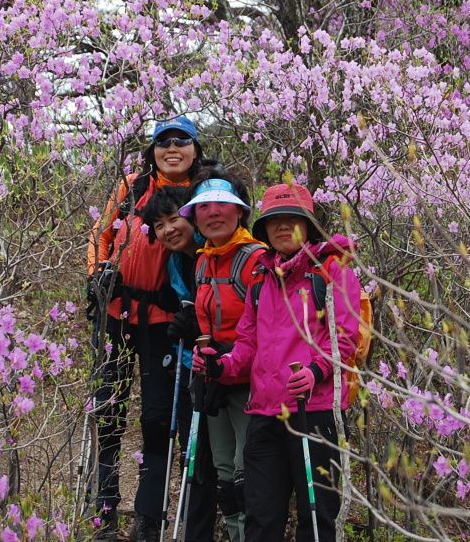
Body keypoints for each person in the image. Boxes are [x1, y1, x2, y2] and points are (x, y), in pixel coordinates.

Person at [193, 183, 362, 542]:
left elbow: (345, 336)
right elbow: (248, 342)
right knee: (261, 517)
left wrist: (317, 370)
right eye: (275, 221)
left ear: (308, 224)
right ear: (265, 230)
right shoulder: (261, 277)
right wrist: (220, 366)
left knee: (316, 518)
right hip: (264, 414)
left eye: (292, 219)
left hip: (313, 411)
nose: (283, 227)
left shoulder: (332, 270)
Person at [86, 116, 205, 542]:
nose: (172, 149)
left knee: (157, 418)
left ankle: (148, 517)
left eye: (182, 141)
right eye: (163, 142)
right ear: (152, 149)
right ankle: (103, 507)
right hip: (116, 314)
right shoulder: (132, 185)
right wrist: (97, 272)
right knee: (108, 410)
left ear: (195, 147)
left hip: (165, 323)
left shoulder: (204, 191)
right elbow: (101, 234)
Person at [177, 168, 266, 542]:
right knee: (225, 476)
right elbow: (205, 327)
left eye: (223, 204)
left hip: (251, 386)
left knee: (250, 476)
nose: (214, 212)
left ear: (241, 212)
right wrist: (201, 351)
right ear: (194, 216)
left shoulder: (256, 260)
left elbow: (271, 329)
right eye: (203, 206)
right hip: (215, 381)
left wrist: (229, 355)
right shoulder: (202, 261)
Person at [140, 186, 218, 542]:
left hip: (224, 365)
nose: (169, 229)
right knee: (193, 454)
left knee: (217, 459)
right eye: (159, 225)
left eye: (173, 219)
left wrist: (198, 323)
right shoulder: (175, 262)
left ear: (190, 215)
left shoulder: (214, 250)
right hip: (191, 366)